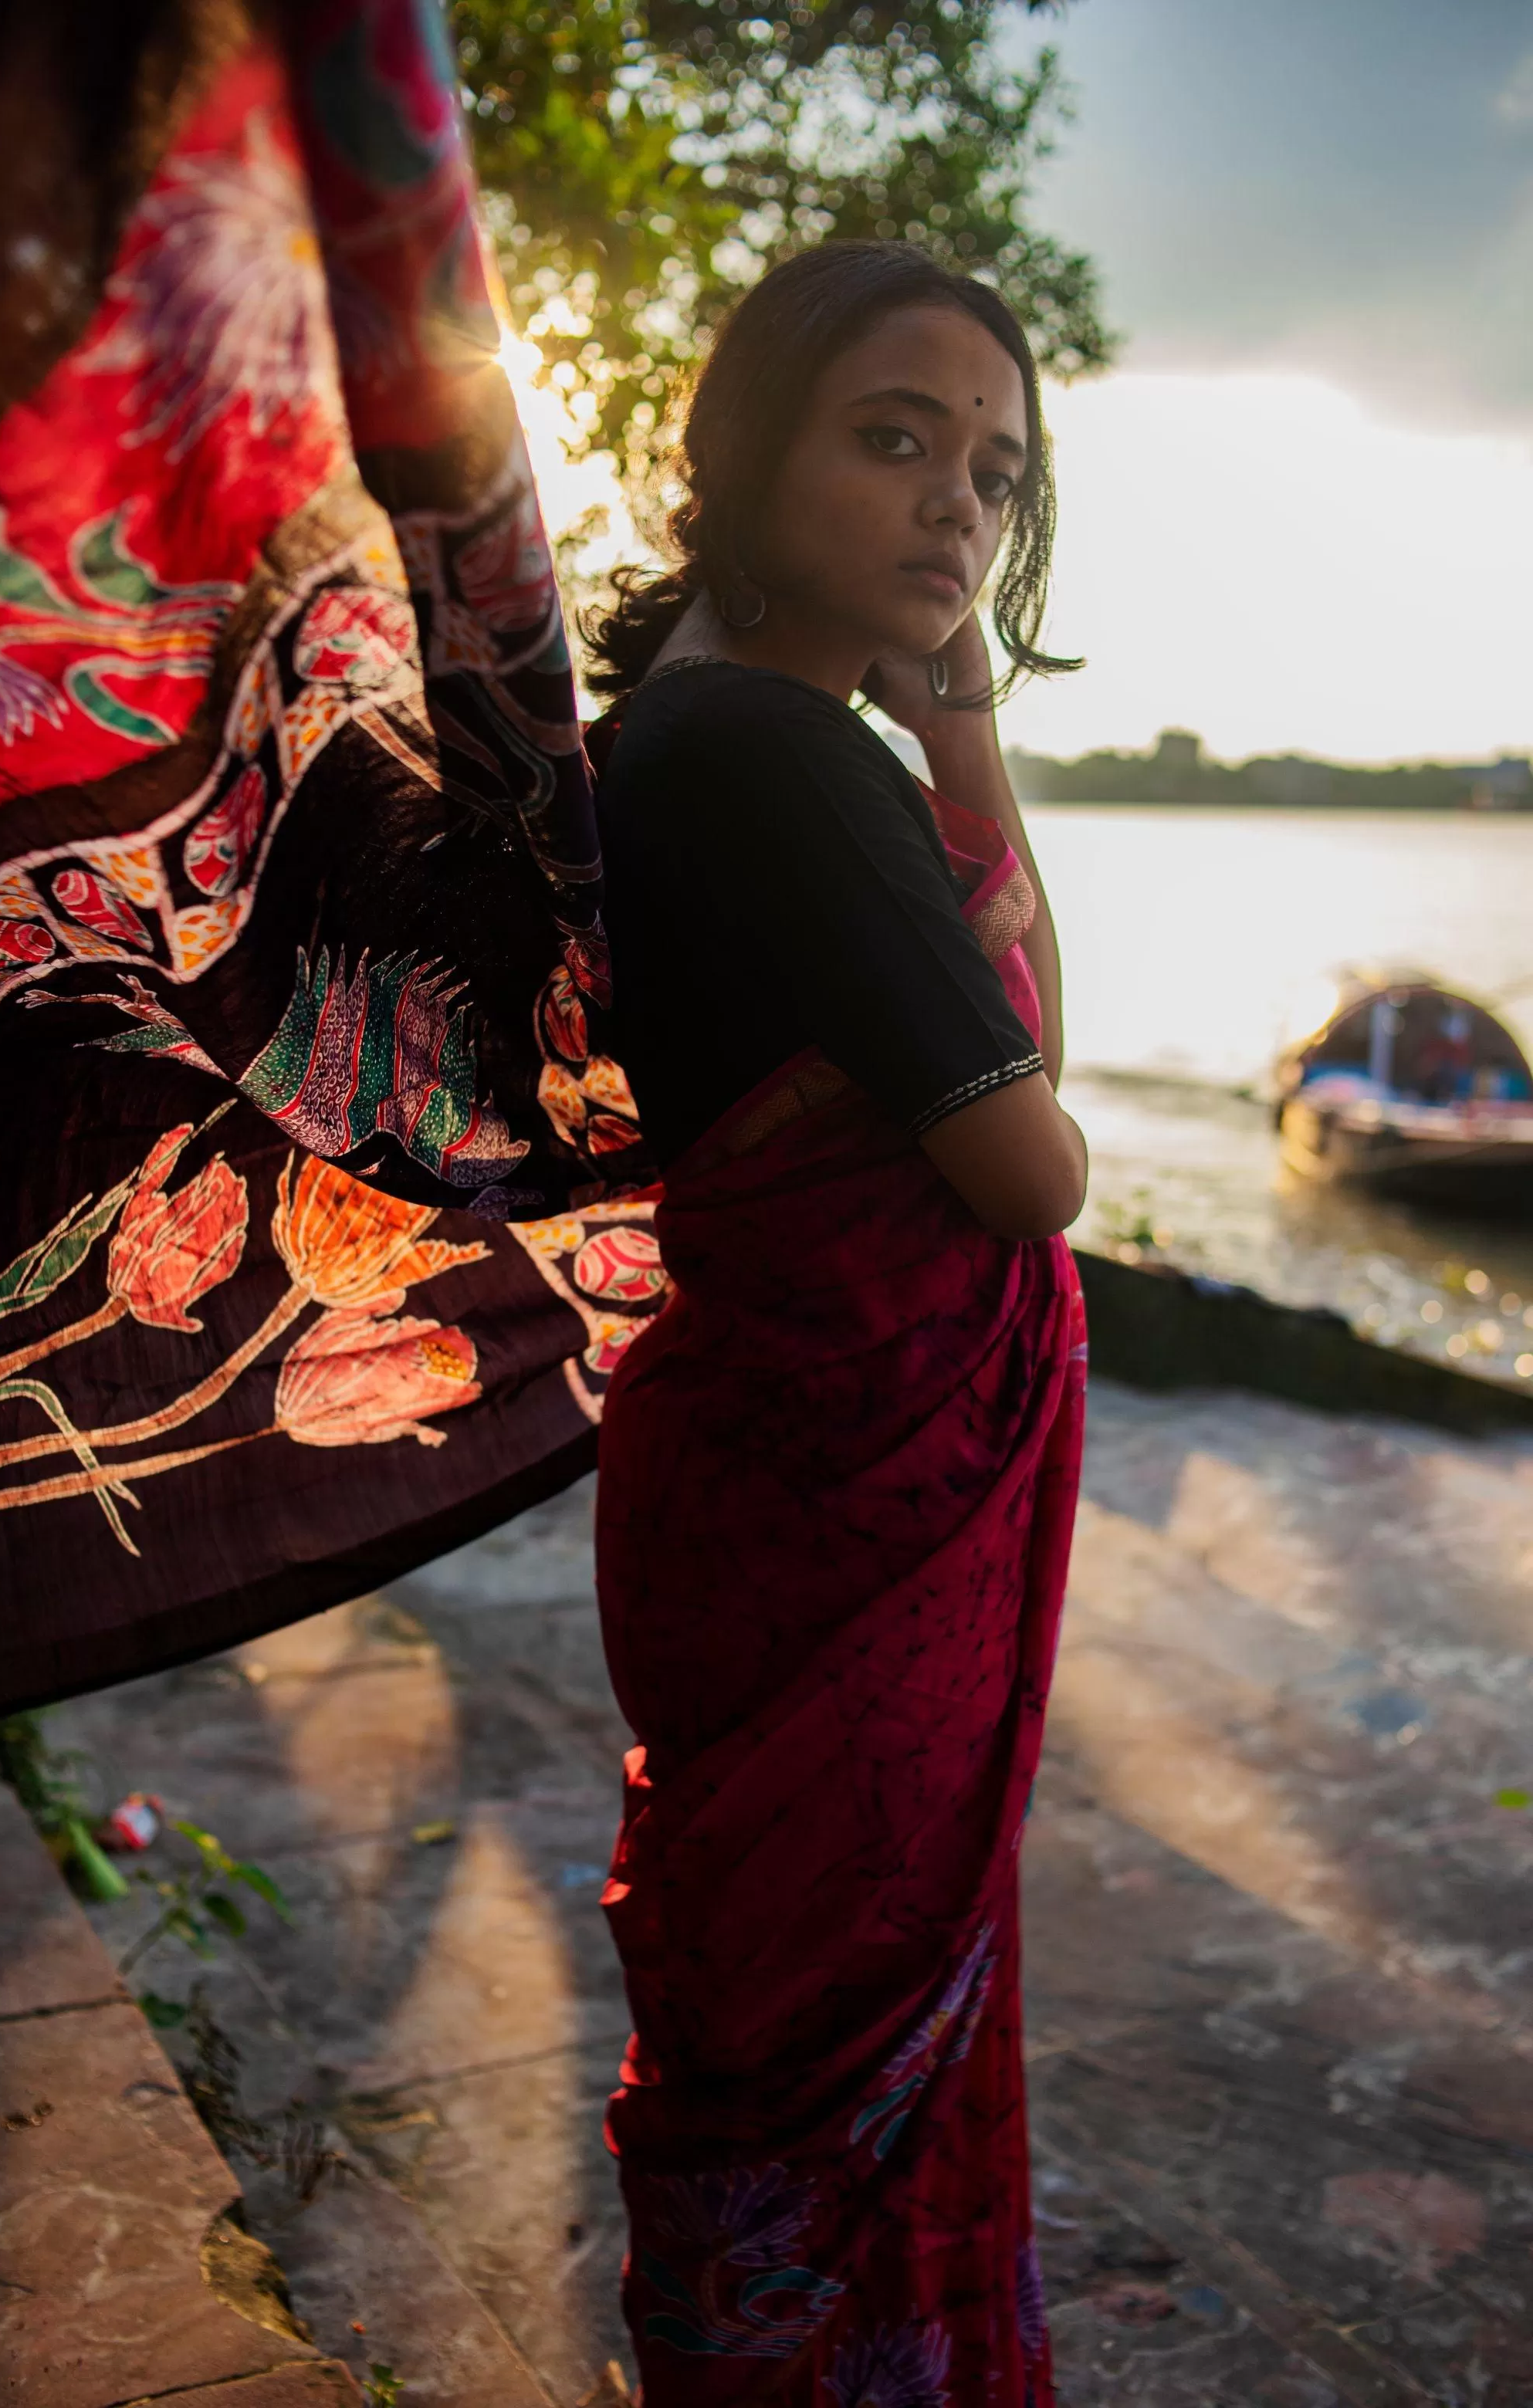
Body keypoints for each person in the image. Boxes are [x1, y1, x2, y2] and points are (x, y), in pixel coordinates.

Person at [585, 241, 1090, 2406]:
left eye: (991, 472)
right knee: (824, 2046)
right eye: (893, 440)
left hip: (771, 1466)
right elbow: (1036, 1152)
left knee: (787, 2029)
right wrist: (951, 720)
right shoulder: (772, 757)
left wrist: (958, 694)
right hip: (840, 1490)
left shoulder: (703, 732)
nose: (954, 507)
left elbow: (1005, 1037)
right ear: (739, 453)